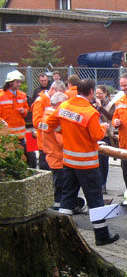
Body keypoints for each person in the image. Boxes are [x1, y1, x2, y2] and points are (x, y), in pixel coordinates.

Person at [45, 79, 119, 246]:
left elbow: (51, 125)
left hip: (69, 162)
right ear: (91, 92)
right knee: (95, 200)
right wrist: (104, 128)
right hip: (87, 164)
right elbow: (95, 136)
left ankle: (62, 232)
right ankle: (101, 236)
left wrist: (66, 131)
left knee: (68, 198)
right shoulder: (89, 112)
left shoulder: (64, 106)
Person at [39, 92, 68, 209]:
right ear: (60, 104)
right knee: (60, 191)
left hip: (51, 156)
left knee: (56, 187)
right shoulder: (55, 119)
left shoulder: (45, 116)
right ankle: (59, 213)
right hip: (58, 159)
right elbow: (61, 141)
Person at [32, 80, 66, 171]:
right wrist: (50, 126)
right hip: (44, 143)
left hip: (50, 142)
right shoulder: (40, 101)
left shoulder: (48, 101)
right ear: (53, 89)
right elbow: (36, 123)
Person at [0, 71, 31, 164]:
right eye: (17, 82)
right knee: (9, 158)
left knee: (21, 157)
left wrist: (23, 111)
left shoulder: (22, 95)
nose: (19, 84)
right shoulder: (1, 96)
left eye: (20, 82)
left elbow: (26, 110)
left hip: (20, 134)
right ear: (10, 83)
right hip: (7, 135)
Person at [93, 85, 116, 194]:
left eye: (100, 93)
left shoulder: (111, 104)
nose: (98, 95)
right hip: (96, 134)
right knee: (97, 161)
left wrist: (100, 107)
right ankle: (98, 183)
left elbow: (111, 116)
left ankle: (103, 184)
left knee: (104, 161)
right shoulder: (93, 104)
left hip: (106, 136)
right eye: (96, 93)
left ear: (105, 93)